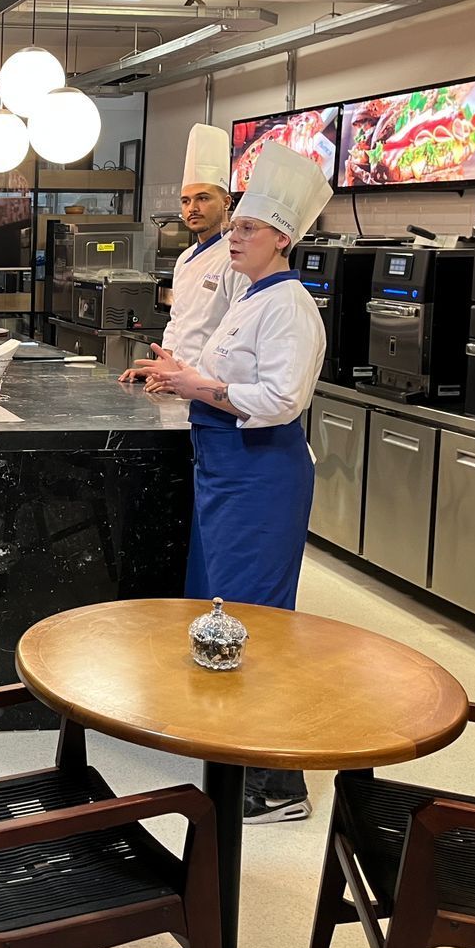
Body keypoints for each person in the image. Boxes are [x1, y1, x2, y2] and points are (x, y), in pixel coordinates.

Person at [132, 142, 330, 825]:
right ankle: (227, 745)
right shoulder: (250, 296)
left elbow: (278, 399)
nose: (234, 238)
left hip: (261, 474)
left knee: (258, 623)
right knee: (214, 606)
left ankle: (279, 785)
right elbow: (224, 374)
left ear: (281, 238)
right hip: (223, 468)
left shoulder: (291, 306)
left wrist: (196, 385)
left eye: (248, 228)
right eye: (236, 226)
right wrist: (175, 367)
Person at [122, 124, 246, 383]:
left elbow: (236, 333)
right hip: (175, 382)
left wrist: (192, 380)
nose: (193, 208)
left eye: (203, 198)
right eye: (186, 201)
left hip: (210, 384)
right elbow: (177, 320)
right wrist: (160, 368)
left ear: (226, 202)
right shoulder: (185, 258)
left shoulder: (236, 258)